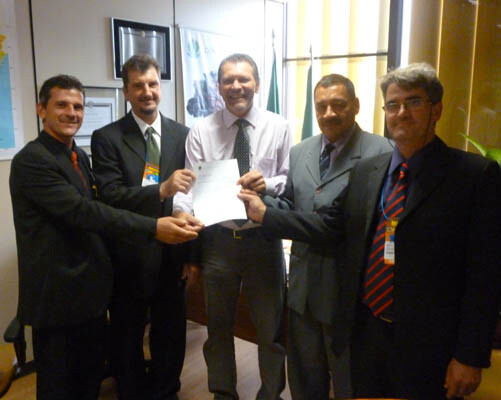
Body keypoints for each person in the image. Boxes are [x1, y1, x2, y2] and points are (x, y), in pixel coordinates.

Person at [240, 63, 501, 399]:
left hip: (430, 343)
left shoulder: (474, 176)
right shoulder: (370, 171)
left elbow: (485, 276)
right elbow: (331, 223)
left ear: (436, 109)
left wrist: (470, 356)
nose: (402, 112)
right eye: (393, 104)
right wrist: (262, 209)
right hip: (367, 329)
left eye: (414, 102)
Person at [9, 75, 199, 400]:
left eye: (78, 106)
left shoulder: (77, 156)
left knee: (88, 380)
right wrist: (154, 227)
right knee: (59, 385)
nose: (72, 113)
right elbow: (87, 211)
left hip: (90, 292)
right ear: (41, 110)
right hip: (58, 294)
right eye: (62, 105)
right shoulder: (32, 161)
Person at [263, 74, 392, 399]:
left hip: (346, 292)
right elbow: (292, 203)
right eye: (321, 107)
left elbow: (350, 224)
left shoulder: (381, 153)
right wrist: (261, 199)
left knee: (350, 380)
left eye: (338, 105)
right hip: (303, 288)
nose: (329, 113)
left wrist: (264, 214)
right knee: (305, 378)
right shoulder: (300, 151)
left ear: (356, 106)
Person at [174, 53, 292, 400]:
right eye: (228, 80)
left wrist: (267, 183)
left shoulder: (279, 126)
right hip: (218, 242)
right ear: (219, 87)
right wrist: (180, 212)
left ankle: (270, 394)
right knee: (218, 329)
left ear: (257, 83)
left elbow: (290, 179)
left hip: (263, 241)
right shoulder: (201, 130)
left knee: (270, 330)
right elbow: (189, 186)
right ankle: (223, 393)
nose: (236, 86)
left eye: (244, 79)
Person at [91, 55, 202, 400]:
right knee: (127, 335)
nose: (147, 92)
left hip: (172, 254)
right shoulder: (107, 138)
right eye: (138, 85)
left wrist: (191, 254)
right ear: (126, 92)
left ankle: (167, 390)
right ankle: (132, 392)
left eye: (152, 84)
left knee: (170, 332)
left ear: (161, 87)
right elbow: (110, 195)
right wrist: (161, 189)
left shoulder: (184, 135)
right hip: (129, 255)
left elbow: (193, 196)